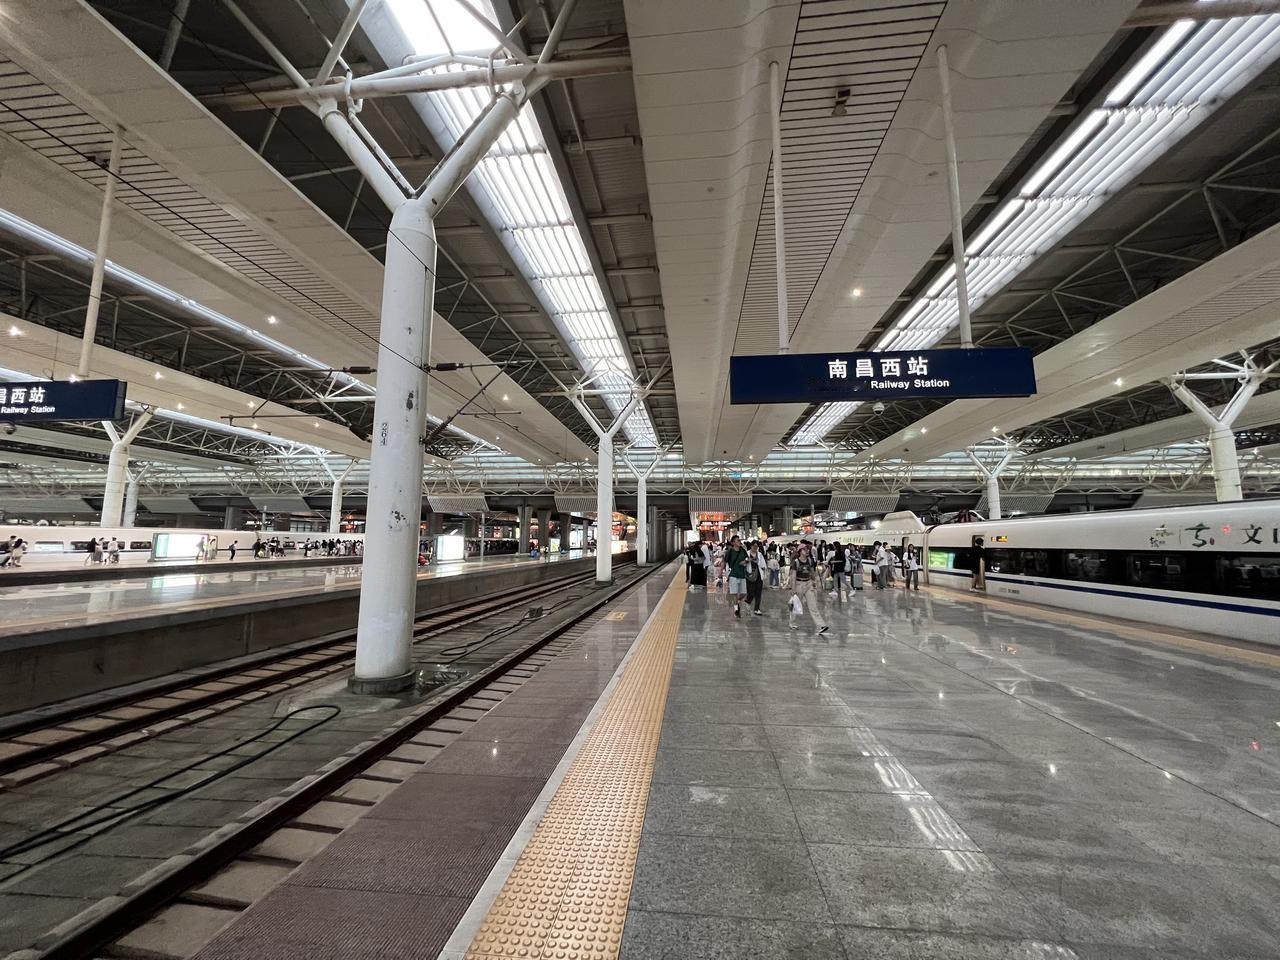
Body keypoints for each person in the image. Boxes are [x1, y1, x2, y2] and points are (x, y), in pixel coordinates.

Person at [788, 545, 828, 635]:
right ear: (800, 551)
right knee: (795, 605)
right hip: (799, 585)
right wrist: (792, 588)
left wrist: (815, 582)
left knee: (813, 606)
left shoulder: (809, 561)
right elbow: (793, 576)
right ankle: (792, 622)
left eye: (807, 549)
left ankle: (822, 625)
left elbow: (812, 572)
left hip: (808, 584)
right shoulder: (796, 562)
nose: (807, 551)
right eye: (804, 550)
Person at [724, 535, 748, 619]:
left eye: (739, 540)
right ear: (733, 543)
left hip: (742, 574)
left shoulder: (743, 550)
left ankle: (736, 602)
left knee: (743, 593)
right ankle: (736, 610)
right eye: (738, 540)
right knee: (734, 593)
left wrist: (745, 561)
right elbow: (725, 561)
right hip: (733, 574)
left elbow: (747, 559)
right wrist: (721, 572)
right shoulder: (730, 551)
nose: (739, 542)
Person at [744, 540, 764, 616]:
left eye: (756, 546)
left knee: (758, 592)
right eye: (754, 546)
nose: (755, 547)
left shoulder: (760, 554)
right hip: (749, 575)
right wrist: (747, 561)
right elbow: (743, 563)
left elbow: (763, 564)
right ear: (751, 546)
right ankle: (748, 601)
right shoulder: (746, 553)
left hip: (758, 575)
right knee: (751, 592)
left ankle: (757, 609)